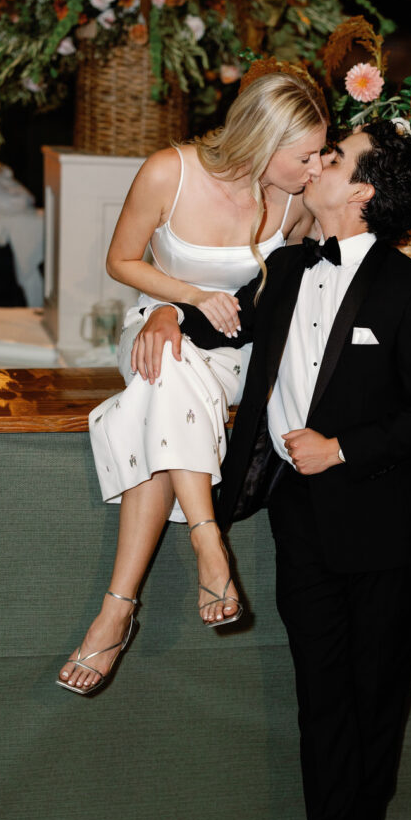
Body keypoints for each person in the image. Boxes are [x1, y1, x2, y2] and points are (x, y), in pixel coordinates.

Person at [144, 121, 411, 820]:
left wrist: (343, 449)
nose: (317, 163)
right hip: (299, 520)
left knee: (373, 694)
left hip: (385, 527)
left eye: (334, 157)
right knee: (320, 693)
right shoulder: (285, 267)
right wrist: (162, 312)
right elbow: (223, 326)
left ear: (360, 190)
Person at [56, 72, 327, 695]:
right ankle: (210, 544)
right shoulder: (167, 171)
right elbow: (121, 260)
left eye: (319, 154)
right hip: (155, 328)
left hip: (236, 353)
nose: (314, 168)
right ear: (262, 140)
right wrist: (180, 302)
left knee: (160, 391)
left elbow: (288, 286)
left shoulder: (295, 199)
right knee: (166, 363)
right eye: (305, 154)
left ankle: (118, 608)